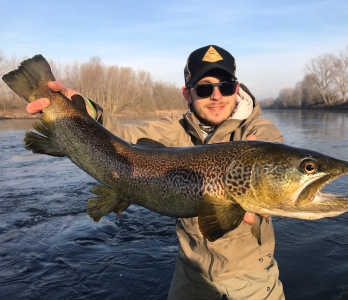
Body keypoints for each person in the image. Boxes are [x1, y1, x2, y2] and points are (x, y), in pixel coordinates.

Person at [27, 45, 285, 300]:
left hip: (254, 276)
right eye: (205, 88)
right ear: (188, 94)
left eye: (225, 86)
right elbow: (123, 140)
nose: (216, 96)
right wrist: (82, 110)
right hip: (192, 275)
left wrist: (262, 159)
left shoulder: (258, 133)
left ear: (236, 89)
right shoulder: (174, 129)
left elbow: (272, 148)